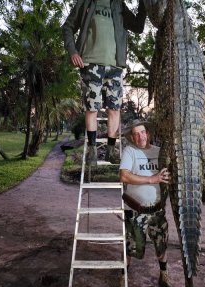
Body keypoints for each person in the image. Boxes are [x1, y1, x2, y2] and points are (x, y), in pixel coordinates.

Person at [62, 0, 146, 165]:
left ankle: (110, 151)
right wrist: (73, 52)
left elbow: (138, 27)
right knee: (92, 108)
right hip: (91, 64)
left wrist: (144, 4)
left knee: (115, 109)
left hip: (115, 67)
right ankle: (92, 151)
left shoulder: (118, 5)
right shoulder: (86, 3)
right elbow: (67, 27)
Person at [119, 119, 177, 287]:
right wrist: (152, 179)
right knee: (131, 246)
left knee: (162, 245)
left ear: (148, 134)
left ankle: (164, 275)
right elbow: (124, 176)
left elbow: (169, 174)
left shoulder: (159, 152)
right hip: (135, 211)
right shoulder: (130, 151)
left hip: (158, 210)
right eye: (135, 134)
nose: (140, 136)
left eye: (142, 132)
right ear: (132, 137)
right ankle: (123, 276)